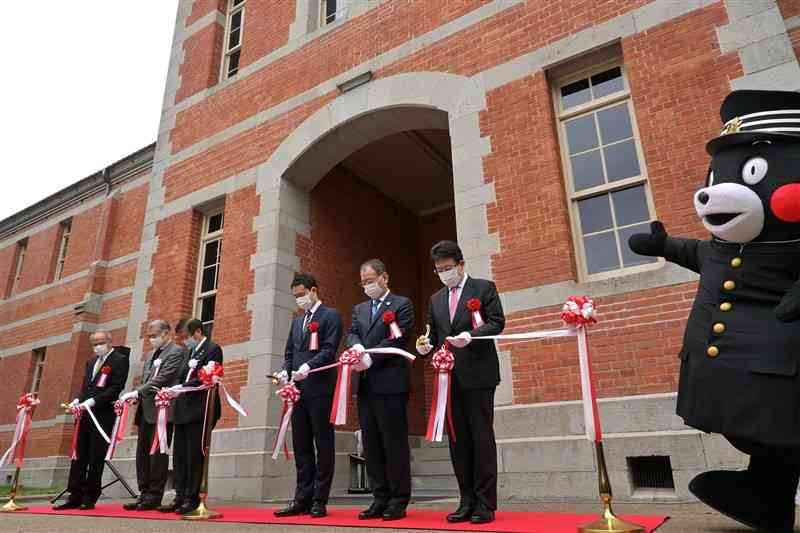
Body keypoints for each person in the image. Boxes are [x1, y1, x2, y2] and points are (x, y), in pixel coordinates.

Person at [628, 90, 800, 532]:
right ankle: (767, 497)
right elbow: (700, 252)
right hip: (734, 374)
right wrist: (664, 246)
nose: (716, 192)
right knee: (761, 431)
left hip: (777, 371)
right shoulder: (727, 247)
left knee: (779, 424)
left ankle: (768, 491)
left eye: (751, 173)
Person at [416, 240, 505, 525]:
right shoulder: (436, 299)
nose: (444, 273)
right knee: (458, 442)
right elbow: (433, 333)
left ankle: (485, 503)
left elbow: (497, 322)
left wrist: (472, 336)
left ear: (461, 264)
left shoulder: (483, 288)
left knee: (481, 438)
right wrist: (424, 345)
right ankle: (465, 500)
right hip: (449, 378)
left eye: (448, 268)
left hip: (479, 375)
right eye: (439, 269)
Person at [346, 259, 414, 521]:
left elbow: (400, 335)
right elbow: (352, 333)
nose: (367, 286)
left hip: (390, 383)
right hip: (365, 385)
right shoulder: (360, 308)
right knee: (371, 445)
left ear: (384, 277)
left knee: (393, 443)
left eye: (371, 280)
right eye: (363, 282)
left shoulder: (401, 304)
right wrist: (356, 348)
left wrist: (371, 356)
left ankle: (398, 500)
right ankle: (379, 497)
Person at [273, 273, 343, 519]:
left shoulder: (330, 316)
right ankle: (301, 498)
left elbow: (329, 350)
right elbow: (289, 353)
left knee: (323, 444)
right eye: (295, 296)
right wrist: (284, 370)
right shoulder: (297, 322)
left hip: (320, 389)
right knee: (301, 446)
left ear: (313, 291)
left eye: (301, 294)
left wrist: (308, 367)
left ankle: (319, 499)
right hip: (298, 392)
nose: (299, 299)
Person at [53, 330, 129, 510]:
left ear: (109, 341)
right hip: (85, 414)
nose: (97, 347)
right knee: (78, 454)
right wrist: (78, 400)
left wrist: (94, 401)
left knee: (96, 455)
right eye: (94, 344)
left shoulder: (119, 360)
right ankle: (75, 494)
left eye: (100, 342)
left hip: (102, 414)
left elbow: (116, 387)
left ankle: (90, 495)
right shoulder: (91, 362)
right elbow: (86, 386)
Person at [119, 320, 185, 511]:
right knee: (143, 455)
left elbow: (163, 377)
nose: (151, 339)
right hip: (146, 411)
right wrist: (137, 395)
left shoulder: (176, 352)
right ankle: (144, 493)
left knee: (157, 455)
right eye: (149, 335)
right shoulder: (149, 354)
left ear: (166, 333)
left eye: (154, 335)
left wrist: (137, 392)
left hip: (162, 411)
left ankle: (155, 495)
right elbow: (147, 379)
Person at [166, 319, 223, 515]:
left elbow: (207, 377)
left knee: (194, 455)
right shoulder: (189, 352)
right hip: (182, 410)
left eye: (185, 337)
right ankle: (179, 495)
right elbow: (182, 375)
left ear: (197, 332)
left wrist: (182, 387)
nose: (184, 342)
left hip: (199, 410)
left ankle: (192, 497)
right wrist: (174, 388)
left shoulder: (213, 349)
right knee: (180, 455)